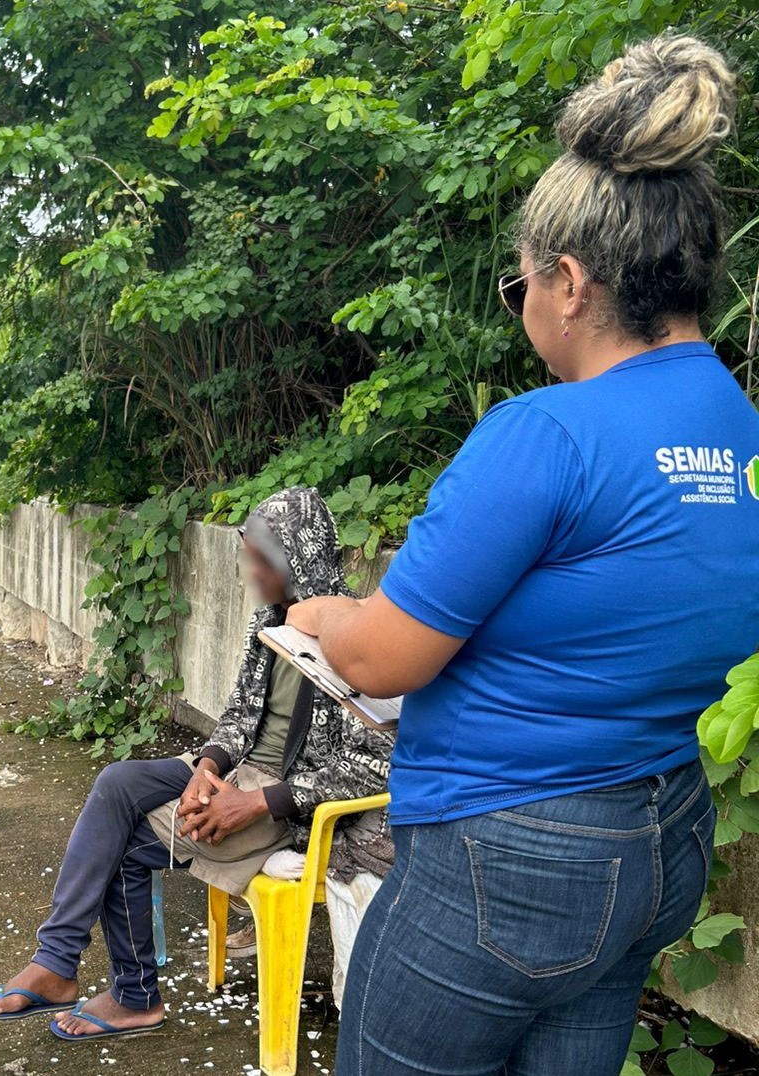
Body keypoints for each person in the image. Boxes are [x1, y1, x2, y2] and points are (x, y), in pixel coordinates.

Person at [284, 36, 759, 1076]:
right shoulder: (742, 430)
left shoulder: (547, 433)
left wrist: (322, 615)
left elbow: (378, 661)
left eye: (522, 286)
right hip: (665, 834)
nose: (526, 308)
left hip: (508, 860)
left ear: (571, 282)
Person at [0, 487, 393, 1040]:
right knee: (118, 782)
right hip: (240, 774)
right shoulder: (271, 621)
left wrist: (255, 803)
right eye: (247, 555)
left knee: (123, 847)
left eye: (261, 559)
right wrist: (207, 769)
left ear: (297, 557)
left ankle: (129, 996)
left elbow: (375, 764)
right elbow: (240, 714)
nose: (250, 571)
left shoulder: (356, 636)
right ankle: (58, 961)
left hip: (290, 807)